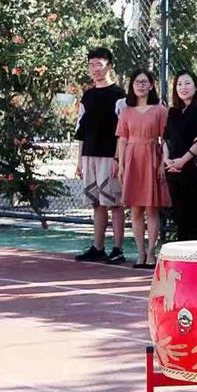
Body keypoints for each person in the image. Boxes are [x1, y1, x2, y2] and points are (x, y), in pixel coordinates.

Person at [74, 47, 127, 264]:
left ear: (110, 66)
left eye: (99, 64)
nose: (95, 69)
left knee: (115, 203)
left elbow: (123, 132)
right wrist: (79, 160)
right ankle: (98, 247)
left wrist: (118, 158)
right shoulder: (87, 96)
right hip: (90, 155)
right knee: (96, 203)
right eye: (91, 65)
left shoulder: (120, 96)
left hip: (109, 156)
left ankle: (118, 249)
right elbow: (80, 130)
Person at [116, 69, 170, 268]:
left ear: (151, 85)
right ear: (132, 85)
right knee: (135, 209)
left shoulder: (160, 110)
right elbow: (122, 139)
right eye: (137, 82)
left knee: (151, 208)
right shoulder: (126, 112)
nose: (140, 85)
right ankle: (140, 253)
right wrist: (121, 165)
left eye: (144, 82)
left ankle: (151, 254)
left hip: (152, 158)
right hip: (132, 160)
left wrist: (163, 162)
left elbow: (166, 138)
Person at [163, 70, 197, 241]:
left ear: (196, 87)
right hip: (173, 171)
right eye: (179, 84)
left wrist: (182, 161)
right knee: (179, 218)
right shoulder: (173, 112)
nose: (183, 87)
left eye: (187, 83)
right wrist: (167, 160)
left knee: (194, 218)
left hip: (192, 170)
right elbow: (166, 138)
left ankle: (195, 255)